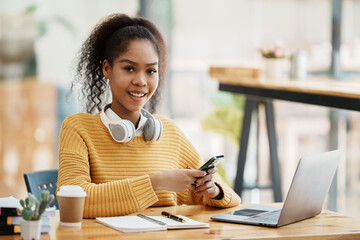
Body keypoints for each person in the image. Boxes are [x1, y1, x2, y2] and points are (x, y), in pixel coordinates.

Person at [57, 13, 241, 218]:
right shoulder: (78, 128)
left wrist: (212, 190)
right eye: (129, 68)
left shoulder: (169, 132)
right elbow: (73, 202)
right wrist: (156, 183)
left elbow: (231, 199)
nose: (141, 81)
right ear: (107, 68)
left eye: (151, 71)